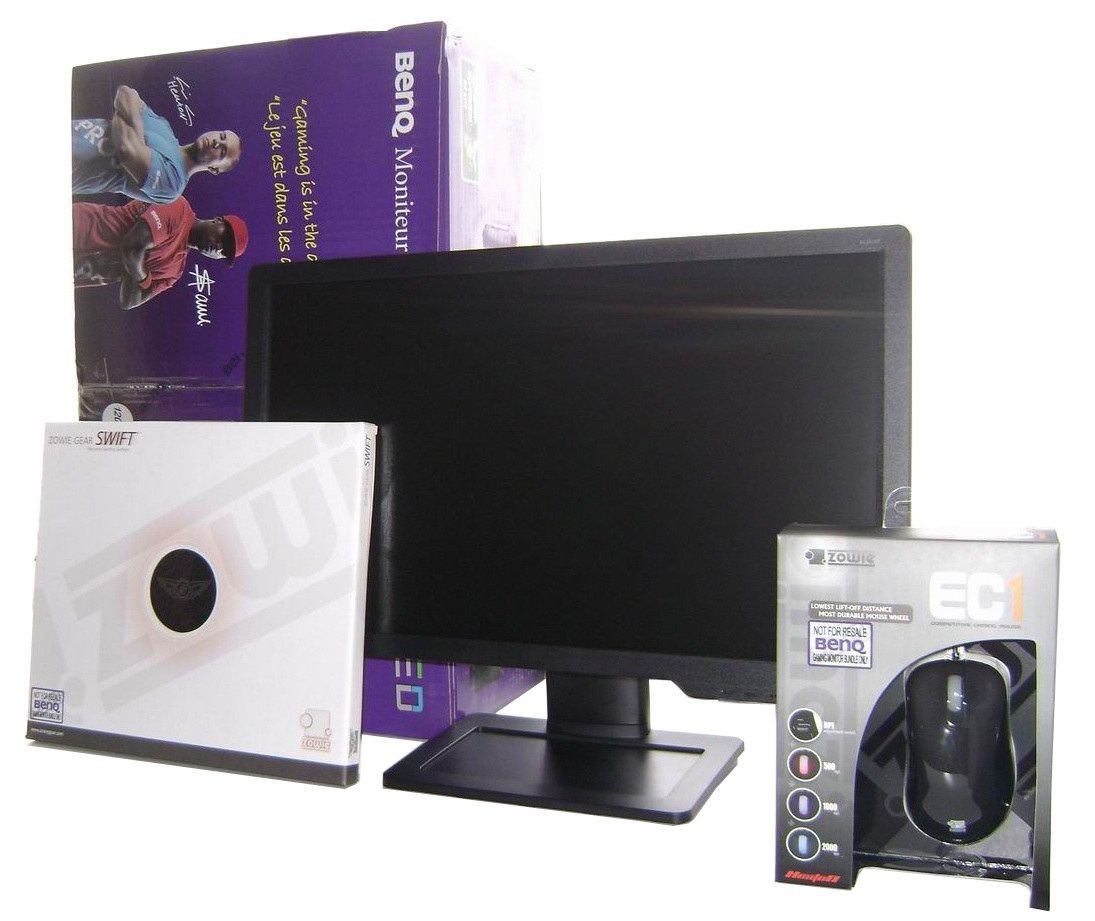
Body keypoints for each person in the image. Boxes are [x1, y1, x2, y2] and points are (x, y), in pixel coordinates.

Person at [73, 85, 241, 203]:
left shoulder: (173, 184)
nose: (216, 142)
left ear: (214, 169)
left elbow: (126, 149)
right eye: (221, 136)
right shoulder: (165, 128)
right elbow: (125, 93)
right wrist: (137, 133)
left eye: (223, 151)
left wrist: (126, 117)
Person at [73, 197, 249, 309]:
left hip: (77, 275)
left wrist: (139, 262)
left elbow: (128, 301)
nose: (218, 247)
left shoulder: (175, 271)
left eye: (224, 252)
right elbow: (132, 248)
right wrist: (145, 277)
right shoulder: (178, 207)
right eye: (224, 238)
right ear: (218, 220)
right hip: (78, 229)